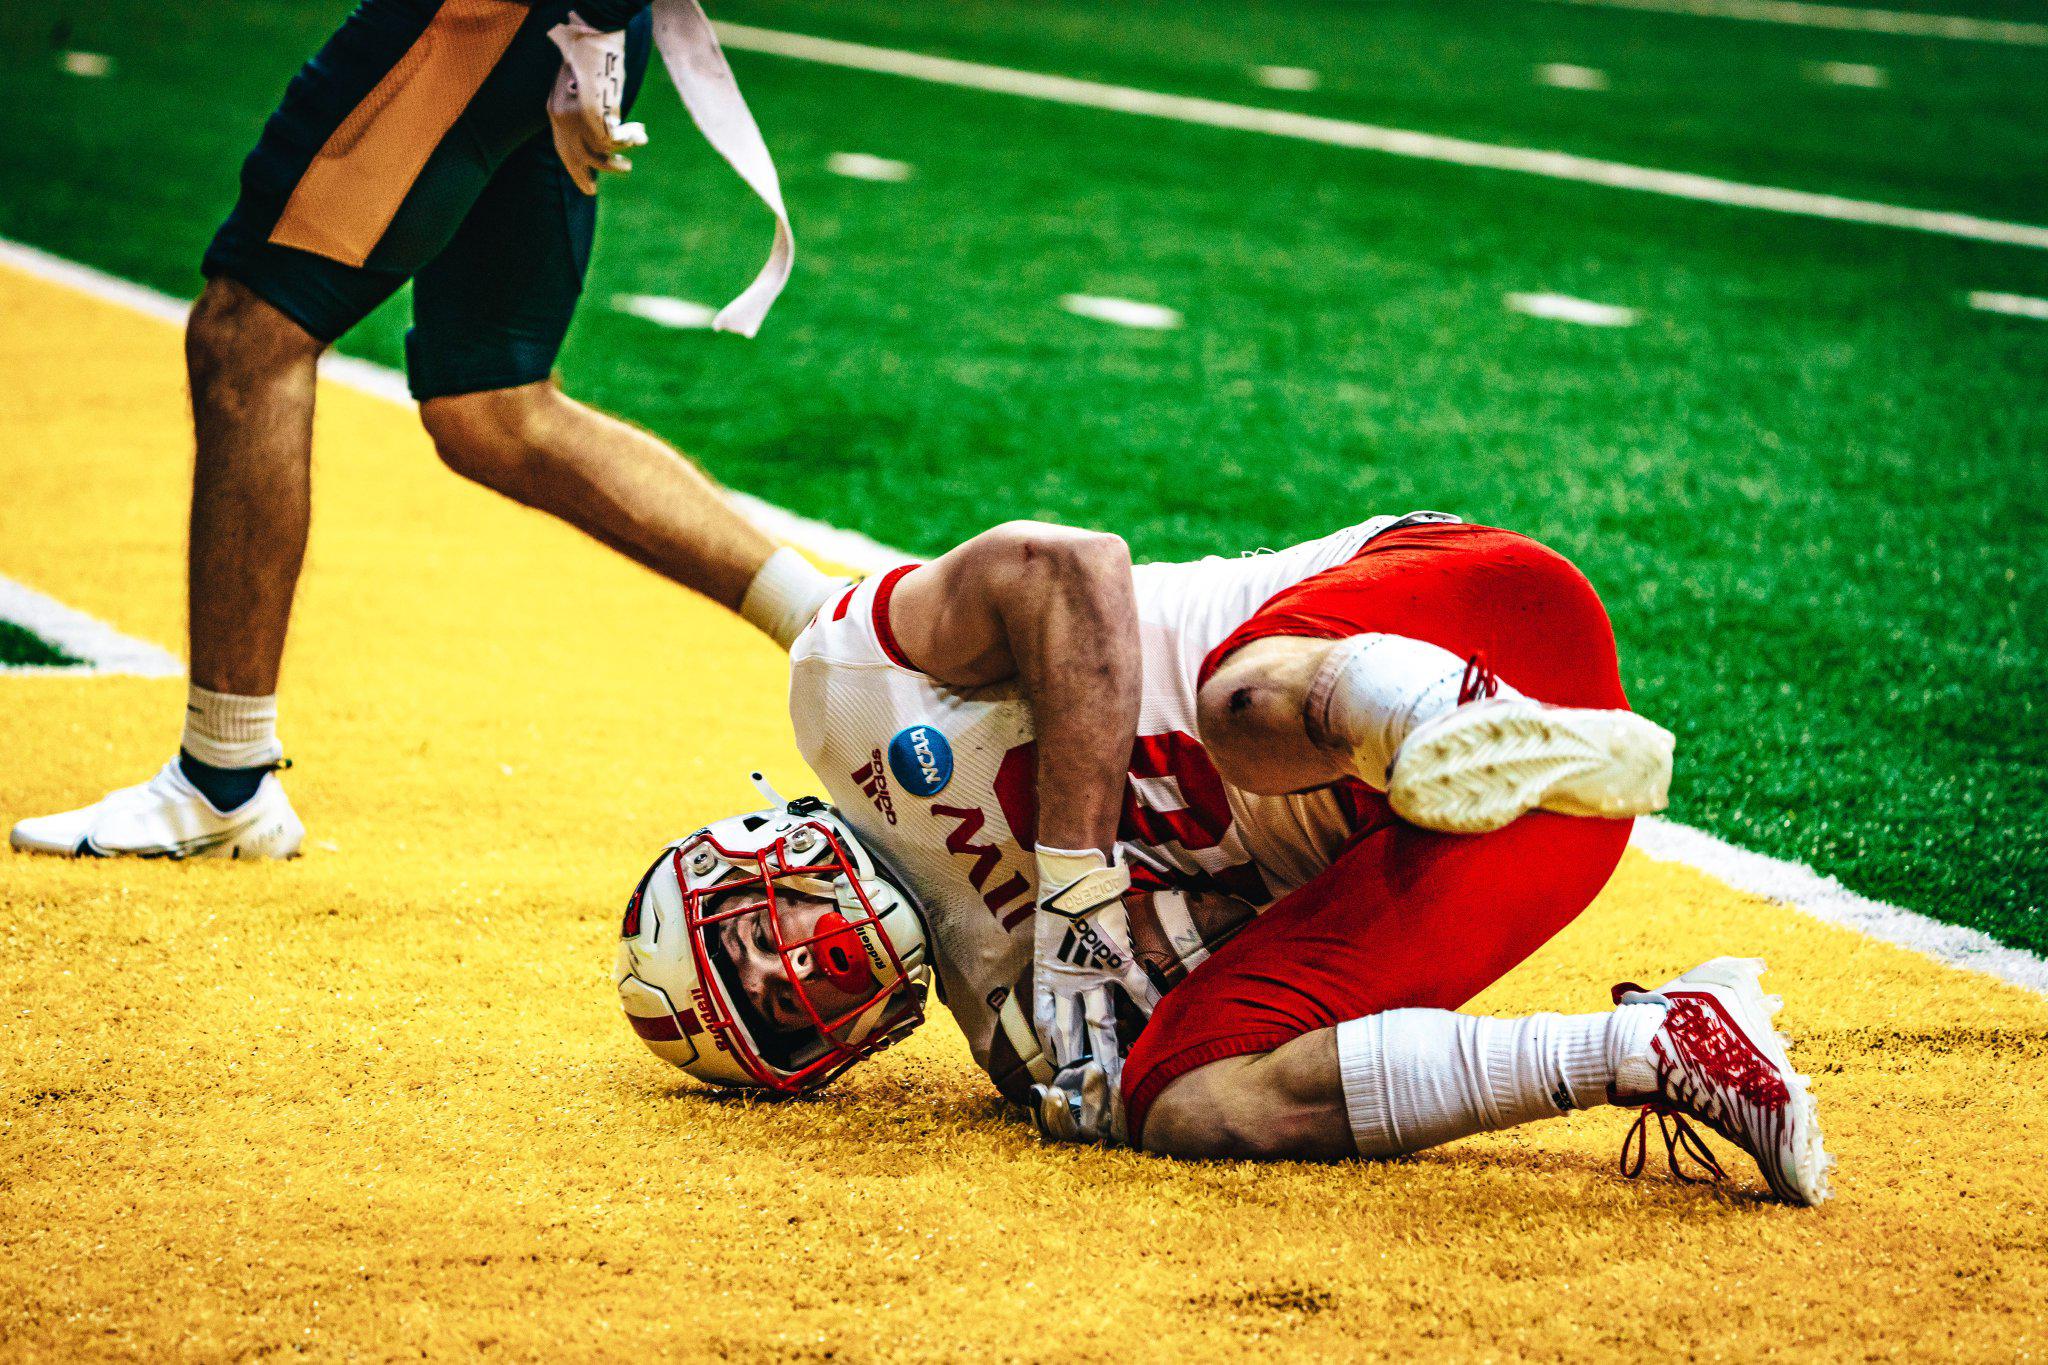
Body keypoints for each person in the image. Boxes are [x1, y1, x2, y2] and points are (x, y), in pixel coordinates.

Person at [611, 511, 1833, 1205]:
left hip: (1462, 617)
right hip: (1520, 842)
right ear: (828, 1057)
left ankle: (1441, 717)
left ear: (743, 856)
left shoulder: (845, 691)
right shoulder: (1008, 1032)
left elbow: (1068, 568)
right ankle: (1659, 1044)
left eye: (745, 952)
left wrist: (1085, 890)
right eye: (775, 1017)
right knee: (1182, 1108)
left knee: (1234, 714)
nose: (798, 969)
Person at [12, 0, 791, 859]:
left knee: (250, 335)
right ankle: (853, 629)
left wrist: (595, 17)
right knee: (493, 407)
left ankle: (221, 778)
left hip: (487, 20)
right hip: (555, 31)